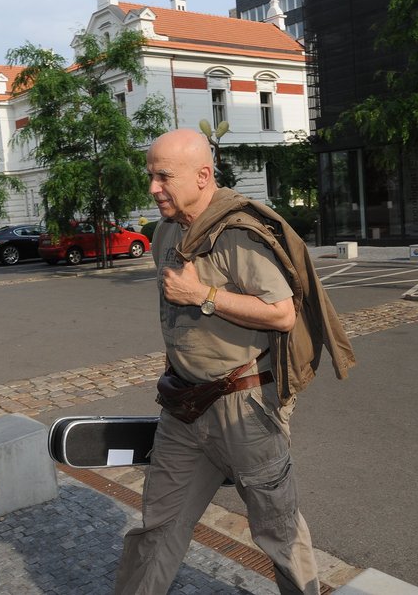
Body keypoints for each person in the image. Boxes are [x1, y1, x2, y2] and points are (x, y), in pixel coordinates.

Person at [115, 129, 355, 595]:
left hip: (245, 409)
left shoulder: (238, 235)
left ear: (203, 176)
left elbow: (282, 313)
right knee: (157, 528)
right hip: (184, 407)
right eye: (151, 175)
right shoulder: (166, 229)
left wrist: (202, 295)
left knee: (279, 531)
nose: (152, 188)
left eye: (163, 176)